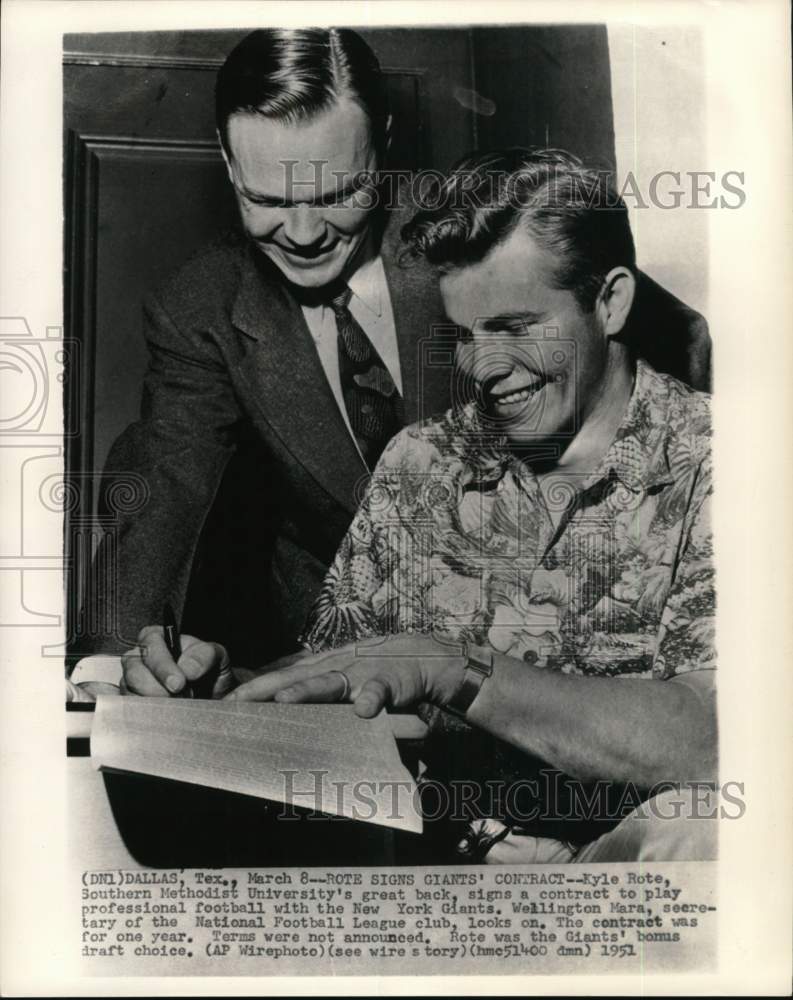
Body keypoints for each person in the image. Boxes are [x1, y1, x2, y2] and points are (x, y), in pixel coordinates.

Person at [123, 148, 717, 863]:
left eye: (515, 327)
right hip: (428, 878)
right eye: (463, 336)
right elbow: (347, 692)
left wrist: (453, 666)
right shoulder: (420, 461)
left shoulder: (723, 463)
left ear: (610, 300)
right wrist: (229, 690)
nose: (482, 369)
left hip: (629, 897)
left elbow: (710, 739)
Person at [74, 28, 710, 678]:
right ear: (227, 162)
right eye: (265, 200)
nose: (301, 235)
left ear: (380, 142)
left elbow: (675, 347)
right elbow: (165, 478)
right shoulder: (201, 305)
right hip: (339, 664)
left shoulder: (468, 232)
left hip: (549, 645)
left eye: (335, 196)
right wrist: (109, 661)